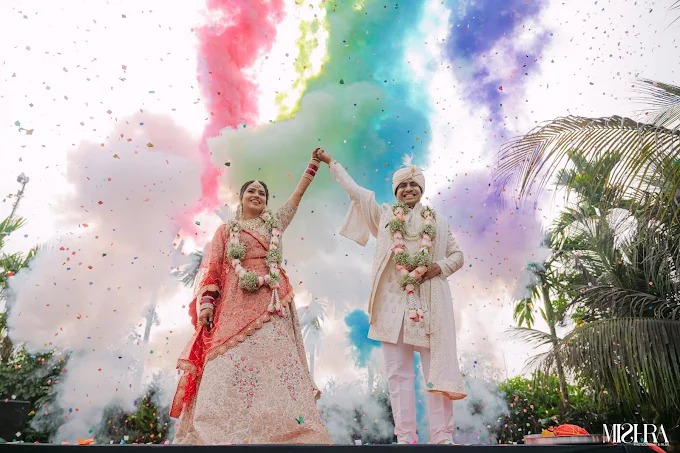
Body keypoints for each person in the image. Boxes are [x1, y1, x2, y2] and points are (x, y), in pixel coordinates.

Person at [170, 150, 331, 445]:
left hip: (272, 303)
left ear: (266, 202)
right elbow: (214, 268)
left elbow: (295, 199)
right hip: (234, 303)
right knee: (225, 366)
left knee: (275, 365)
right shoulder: (225, 231)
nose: (257, 195)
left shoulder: (274, 225)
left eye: (262, 193)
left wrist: (313, 166)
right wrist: (206, 304)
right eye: (251, 191)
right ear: (241, 198)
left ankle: (283, 433)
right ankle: (220, 431)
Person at [313, 149, 466, 445]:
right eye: (402, 185)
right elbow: (357, 193)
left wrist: (437, 267)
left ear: (421, 189)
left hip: (431, 302)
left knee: (436, 370)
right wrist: (332, 163)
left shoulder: (439, 221)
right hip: (392, 305)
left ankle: (442, 437)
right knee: (398, 373)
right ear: (395, 191)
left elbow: (457, 255)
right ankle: (406, 437)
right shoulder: (384, 216)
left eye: (413, 185)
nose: (408, 189)